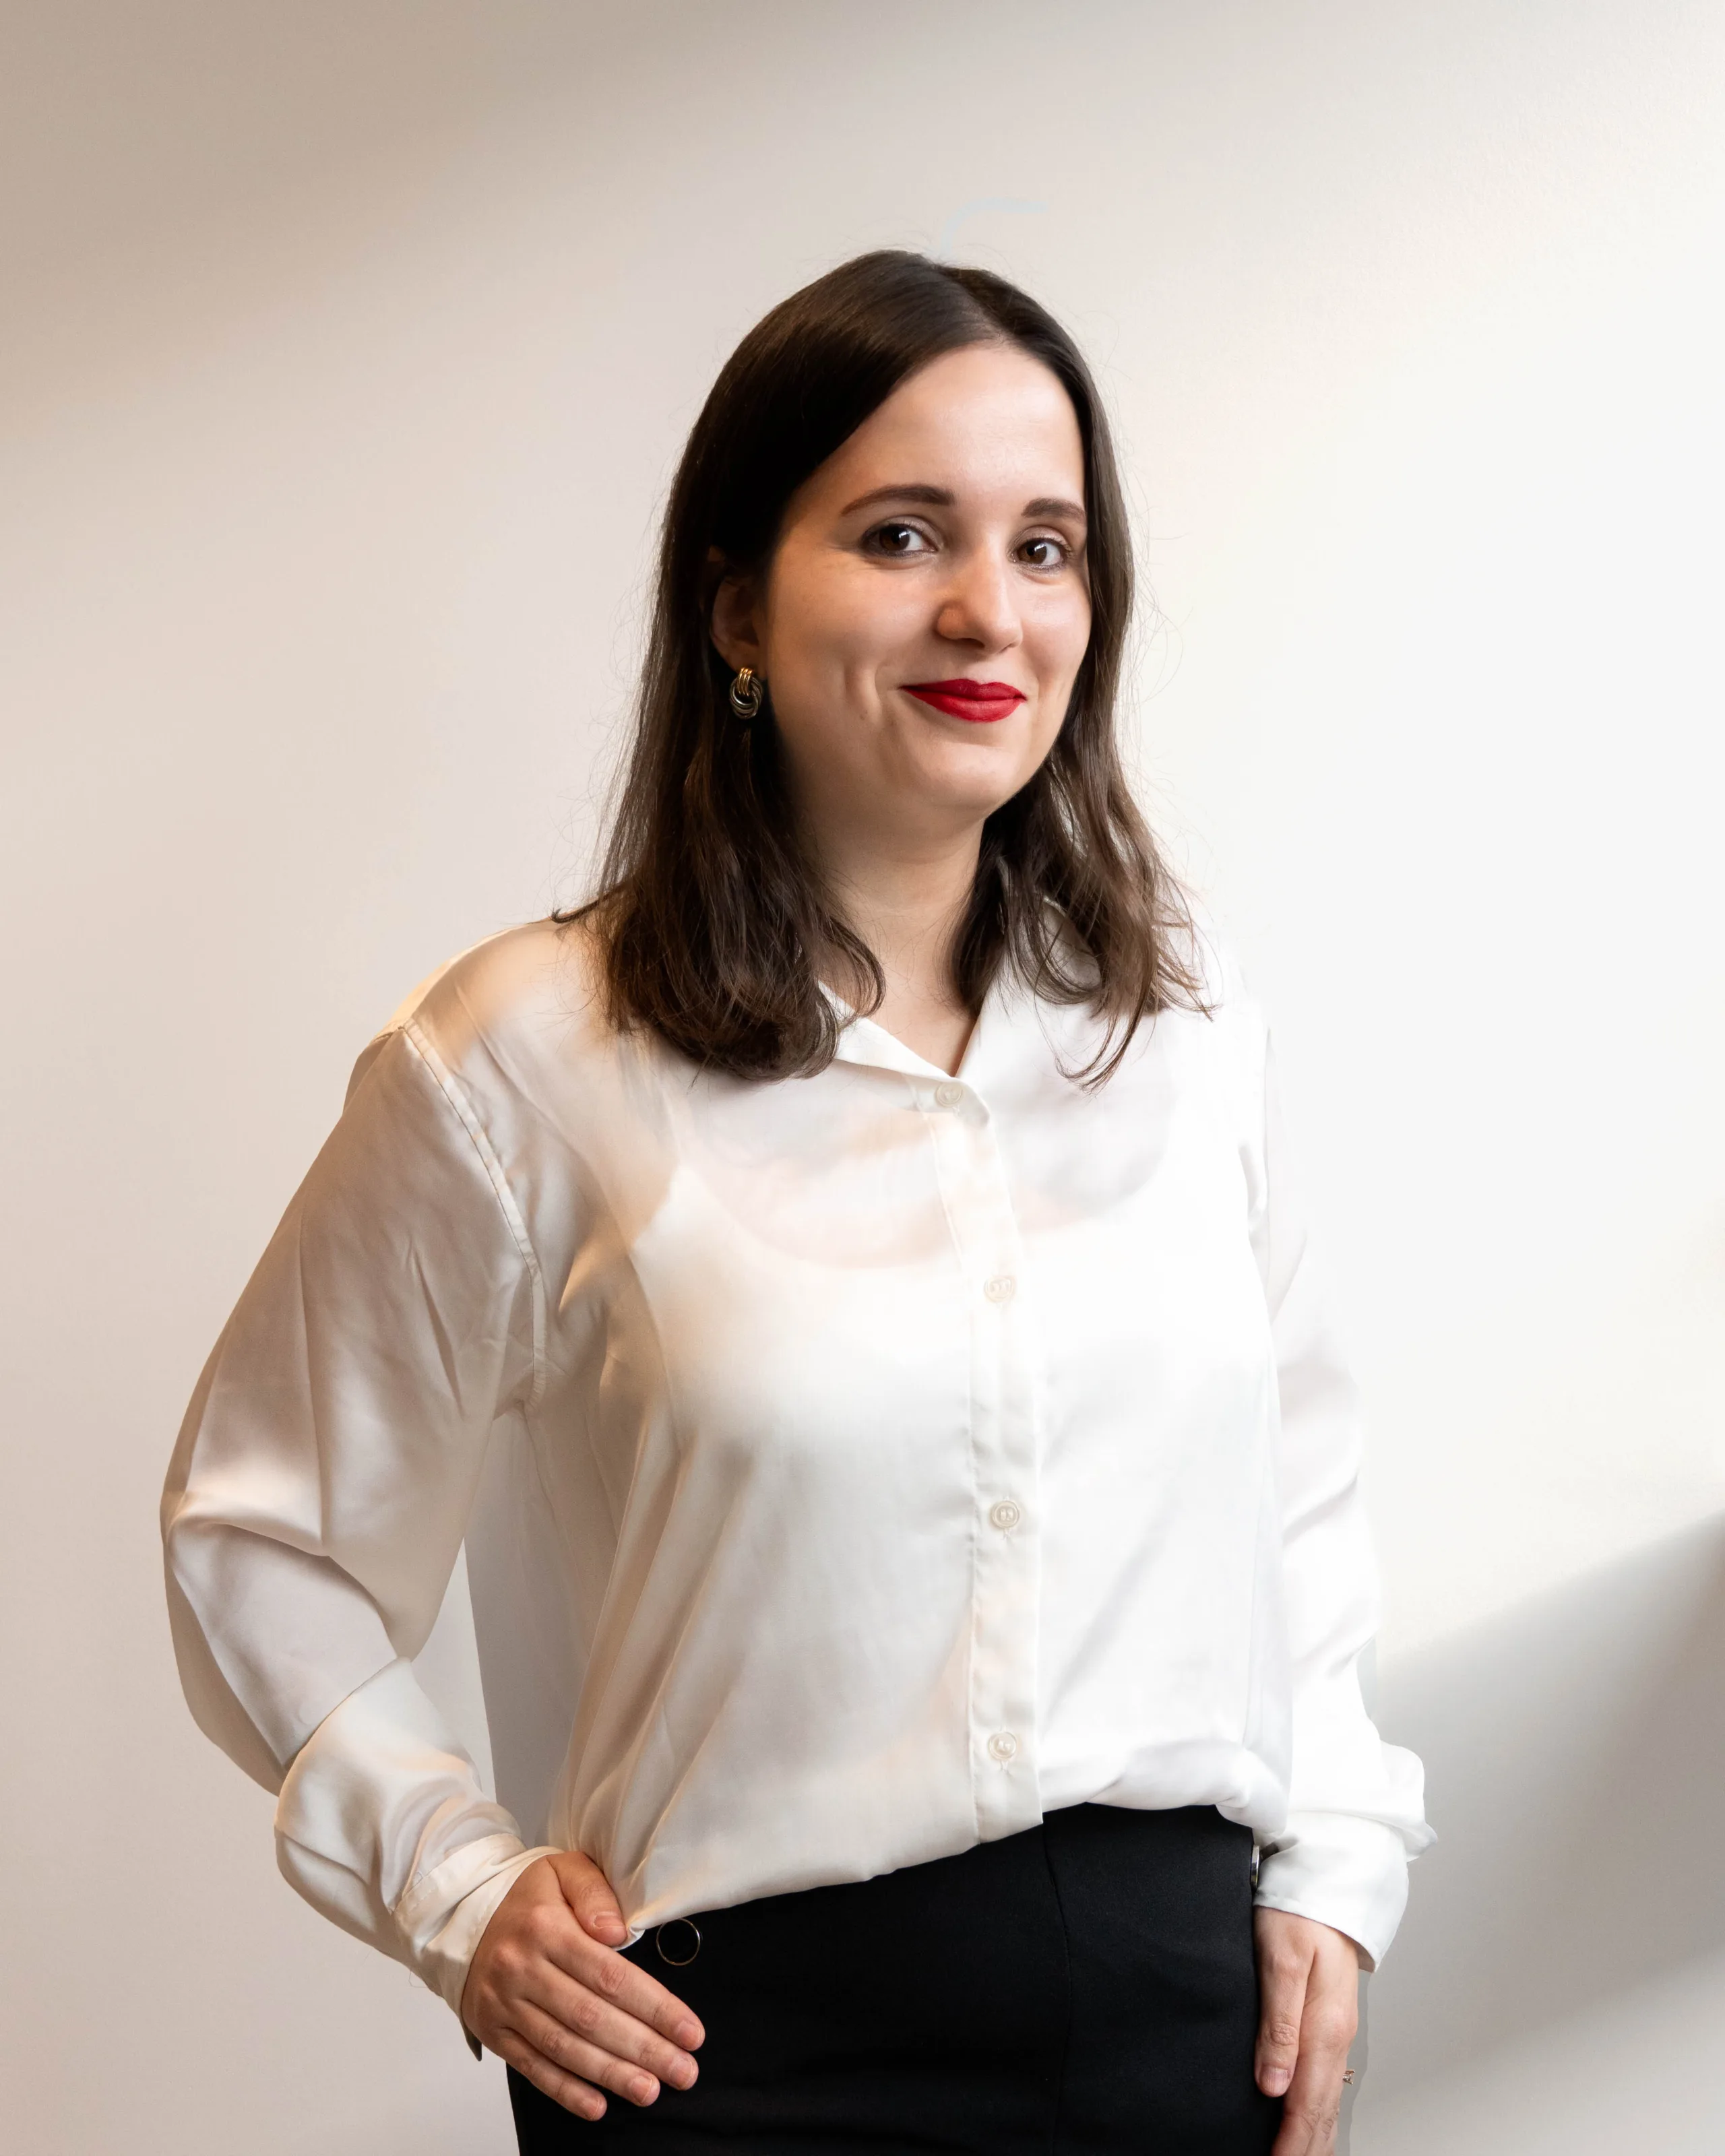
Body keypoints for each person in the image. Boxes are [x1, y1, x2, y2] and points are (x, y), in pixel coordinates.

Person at [162, 250, 1430, 2155]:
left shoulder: (1179, 1029)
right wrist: (449, 1882)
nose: (987, 609)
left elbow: (1298, 1504)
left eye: (1048, 545)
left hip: (1187, 2032)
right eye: (904, 534)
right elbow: (263, 1530)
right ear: (738, 600)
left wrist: (1335, 1854)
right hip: (737, 2066)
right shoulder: (524, 1057)